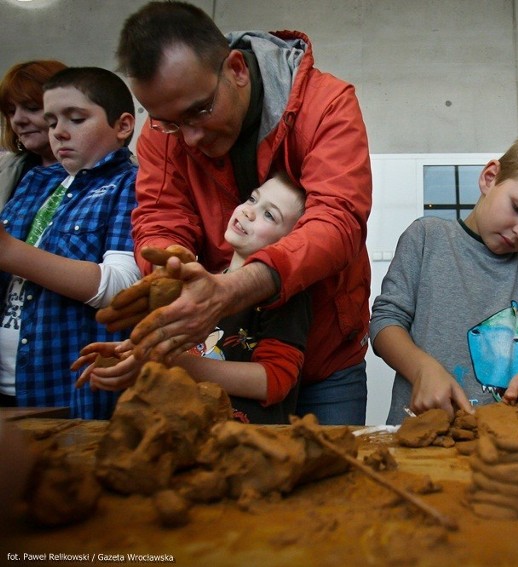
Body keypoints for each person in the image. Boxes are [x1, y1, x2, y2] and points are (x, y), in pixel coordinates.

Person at [103, 0, 372, 425]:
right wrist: (169, 280)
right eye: (167, 121)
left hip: (325, 359)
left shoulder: (325, 105)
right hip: (223, 351)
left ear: (236, 69)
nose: (187, 138)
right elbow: (161, 218)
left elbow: (337, 221)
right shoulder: (163, 132)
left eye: (199, 111)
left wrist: (229, 292)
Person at [371, 133, 518, 425]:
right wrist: (422, 370)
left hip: (502, 432)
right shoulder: (426, 238)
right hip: (423, 425)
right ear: (490, 178)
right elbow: (384, 323)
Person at [75, 173, 311, 425]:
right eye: (253, 199)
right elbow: (176, 348)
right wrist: (134, 352)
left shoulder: (285, 297)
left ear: (290, 242)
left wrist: (174, 362)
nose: (249, 212)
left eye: (269, 215)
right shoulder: (201, 281)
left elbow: (275, 381)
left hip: (242, 447)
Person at [0, 67, 139, 419]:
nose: (59, 132)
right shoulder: (36, 180)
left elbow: (122, 289)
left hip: (63, 390)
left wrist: (10, 252)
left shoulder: (130, 184)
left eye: (76, 119)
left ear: (123, 126)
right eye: (51, 122)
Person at [0, 60, 67, 210]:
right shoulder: (5, 169)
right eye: (11, 111)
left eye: (32, 108)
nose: (18, 120)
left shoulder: (117, 175)